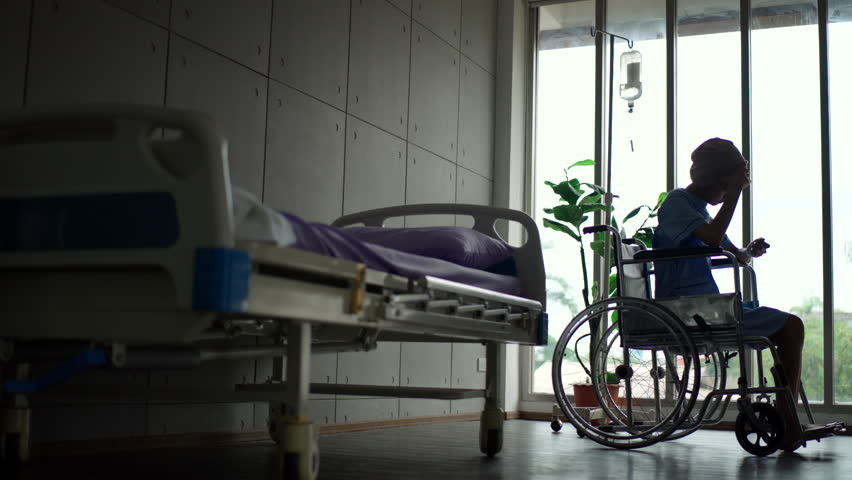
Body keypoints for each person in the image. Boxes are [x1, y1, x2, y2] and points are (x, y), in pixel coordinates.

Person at [652, 137, 805, 451]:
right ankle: (788, 422)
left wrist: (749, 251)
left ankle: (786, 415)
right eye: (725, 187)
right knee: (791, 327)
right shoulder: (678, 202)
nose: (725, 195)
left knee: (787, 328)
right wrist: (735, 194)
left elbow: (734, 253)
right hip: (686, 310)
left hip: (704, 307)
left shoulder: (699, 212)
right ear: (716, 180)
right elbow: (712, 238)